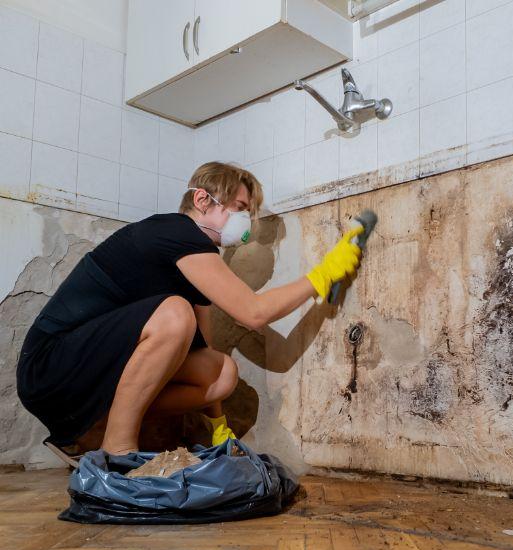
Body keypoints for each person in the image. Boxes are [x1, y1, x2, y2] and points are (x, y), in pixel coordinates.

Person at [16, 162, 363, 456]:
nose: (246, 221)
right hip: (49, 367)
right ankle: (116, 453)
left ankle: (91, 432)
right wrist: (321, 276)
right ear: (202, 199)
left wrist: (217, 426)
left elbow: (205, 352)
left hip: (89, 370)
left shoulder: (192, 266)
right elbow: (254, 312)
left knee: (221, 372)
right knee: (174, 314)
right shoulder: (176, 232)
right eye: (240, 208)